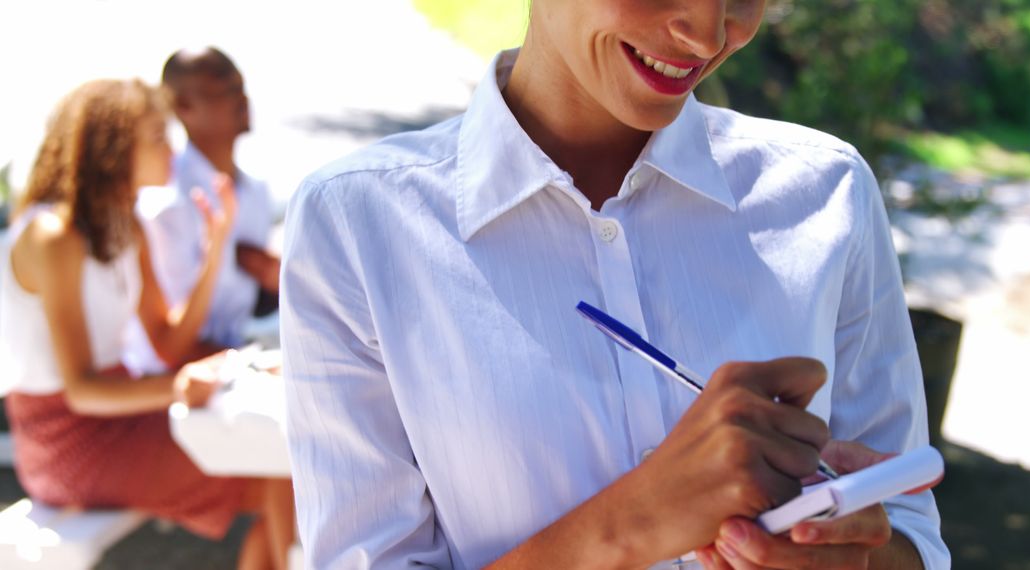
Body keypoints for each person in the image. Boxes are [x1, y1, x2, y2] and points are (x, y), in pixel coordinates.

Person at [280, 1, 949, 568]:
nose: (708, 35)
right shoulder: (358, 224)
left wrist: (852, 552)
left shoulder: (828, 193)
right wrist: (634, 521)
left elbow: (911, 528)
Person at [0, 79, 294, 570]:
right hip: (67, 441)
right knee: (277, 472)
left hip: (124, 416)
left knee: (285, 469)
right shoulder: (55, 237)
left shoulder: (125, 224)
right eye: (158, 136)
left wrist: (215, 246)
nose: (173, 150)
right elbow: (81, 392)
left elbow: (166, 343)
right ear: (114, 149)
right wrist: (178, 387)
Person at [125, 46, 278, 375]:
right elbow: (171, 345)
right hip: (172, 384)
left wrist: (275, 278)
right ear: (183, 106)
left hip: (230, 366)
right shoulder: (166, 202)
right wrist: (252, 367)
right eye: (225, 89)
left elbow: (243, 308)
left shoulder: (256, 191)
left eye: (241, 86)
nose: (242, 99)